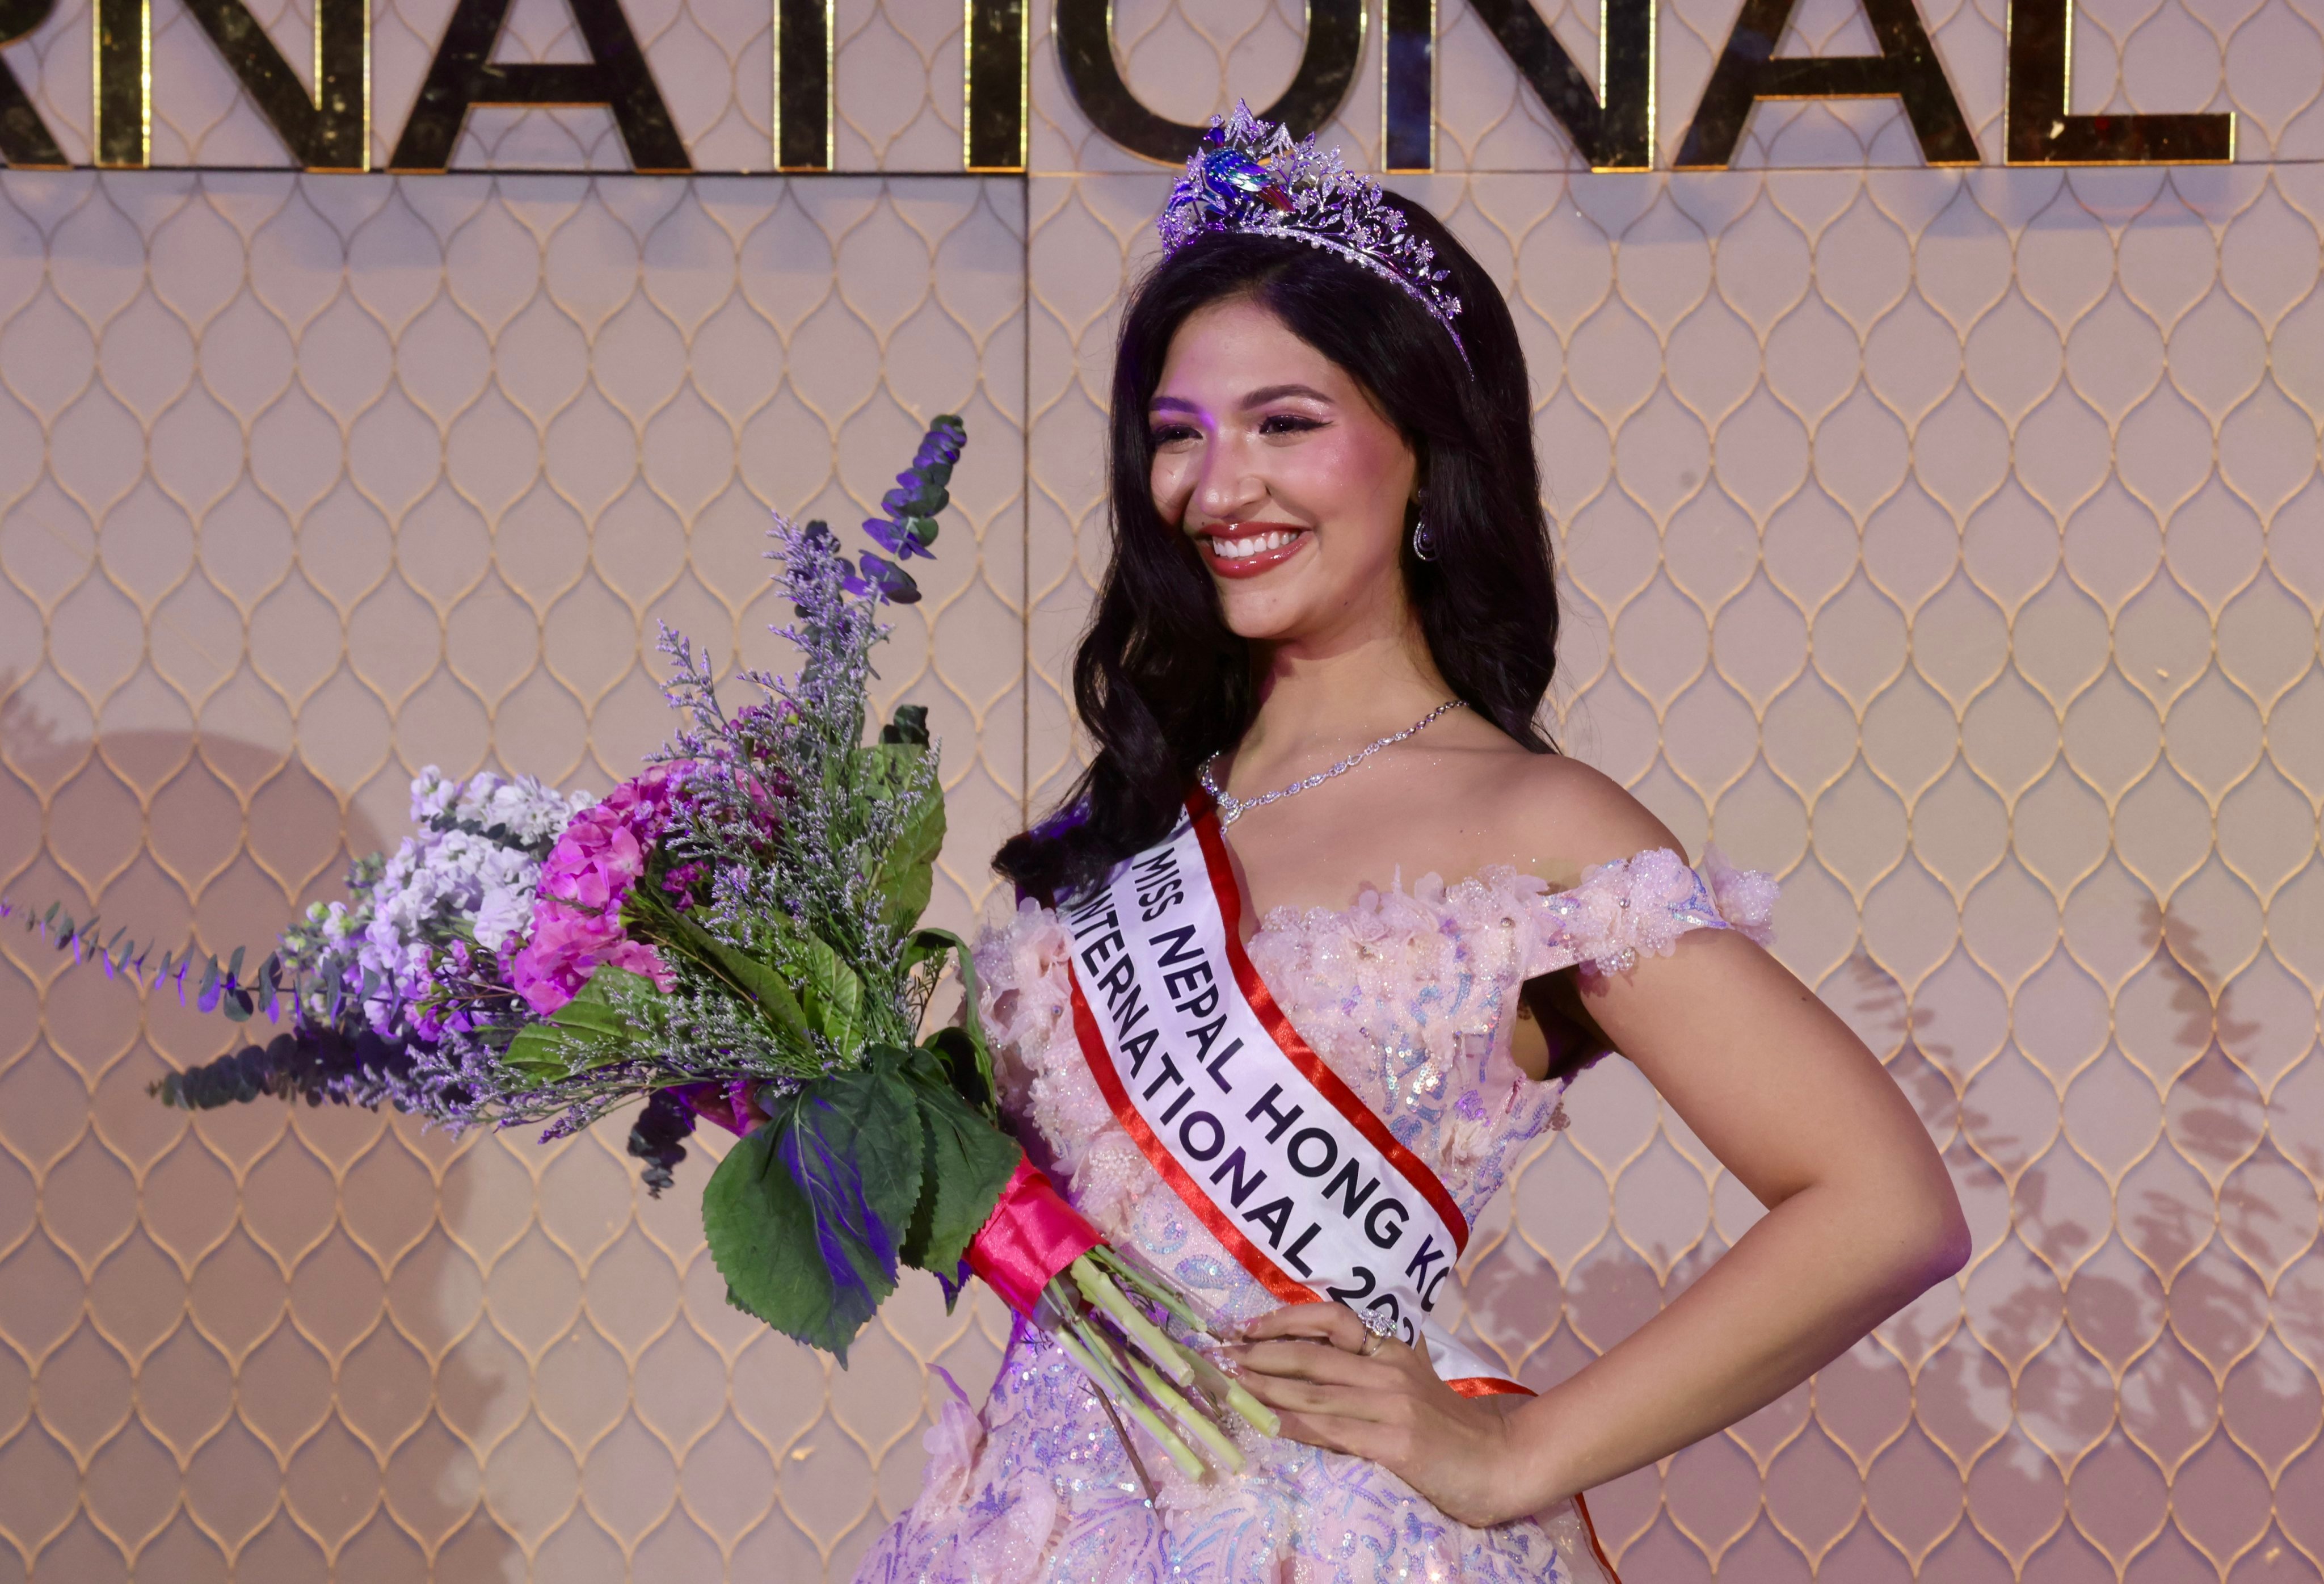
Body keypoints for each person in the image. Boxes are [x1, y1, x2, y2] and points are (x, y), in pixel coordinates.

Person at [856, 106, 1968, 1584]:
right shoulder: (1125, 826)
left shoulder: (1534, 826)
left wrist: (1515, 1452)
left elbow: (1885, 1204)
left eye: (1286, 425)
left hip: (1322, 1533)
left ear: (1424, 453)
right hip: (1037, 1527)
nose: (1217, 485)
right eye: (1179, 437)